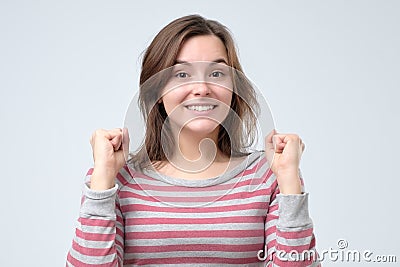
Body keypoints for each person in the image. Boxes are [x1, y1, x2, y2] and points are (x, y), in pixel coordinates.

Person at [66, 15, 319, 266]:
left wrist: (289, 180)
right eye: (182, 74)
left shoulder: (268, 174)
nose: (202, 88)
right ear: (156, 90)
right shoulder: (116, 179)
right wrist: (103, 178)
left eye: (217, 73)